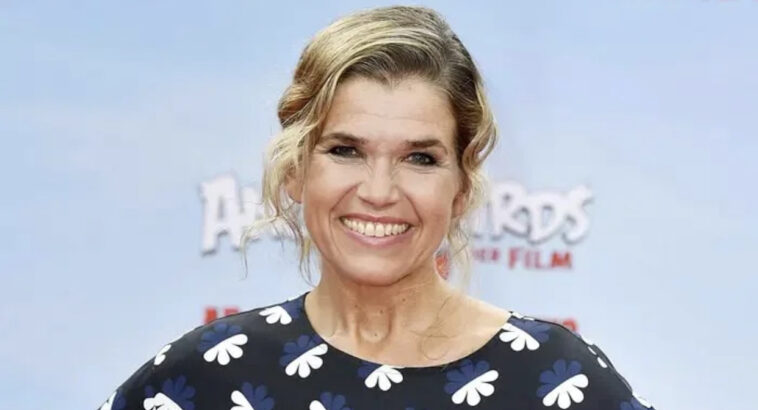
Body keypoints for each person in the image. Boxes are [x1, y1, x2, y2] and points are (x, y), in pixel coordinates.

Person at [98, 6, 656, 410]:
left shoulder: (554, 379)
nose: (380, 190)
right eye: (346, 151)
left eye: (420, 158)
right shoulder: (207, 377)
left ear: (462, 187)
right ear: (295, 170)